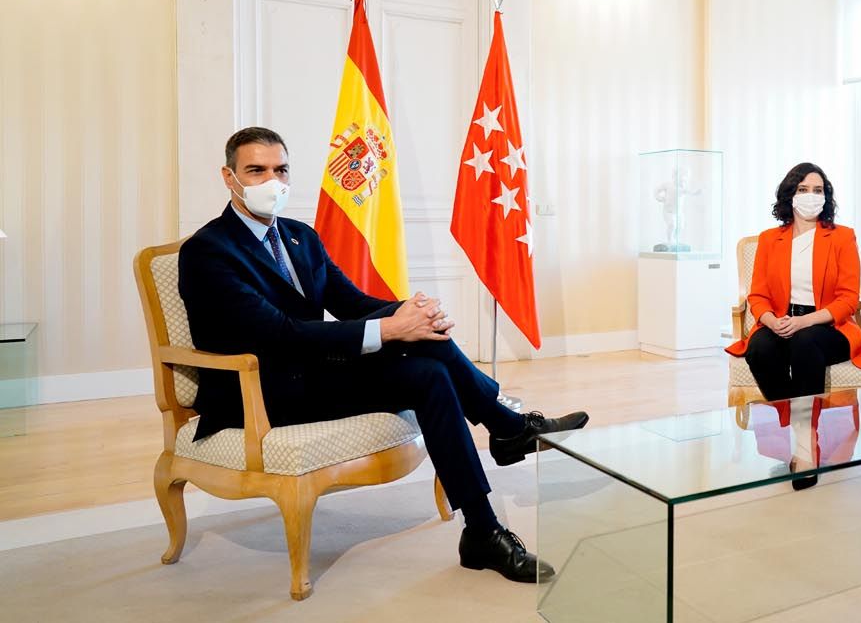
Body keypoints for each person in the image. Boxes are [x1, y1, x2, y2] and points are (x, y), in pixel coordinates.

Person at [178, 126, 588, 584]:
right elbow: (282, 334)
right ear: (229, 177)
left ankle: (482, 530)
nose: (270, 181)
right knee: (418, 350)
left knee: (429, 363)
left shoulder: (300, 236)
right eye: (256, 170)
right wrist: (394, 327)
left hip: (313, 375)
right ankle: (508, 428)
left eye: (280, 170)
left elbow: (351, 302)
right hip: (260, 393)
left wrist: (411, 313)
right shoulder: (207, 251)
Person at [725, 163, 861, 489]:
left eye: (818, 190)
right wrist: (769, 320)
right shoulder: (770, 239)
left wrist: (804, 321)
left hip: (826, 324)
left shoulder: (842, 237)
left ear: (827, 197)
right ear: (790, 194)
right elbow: (758, 295)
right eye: (804, 189)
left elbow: (848, 299)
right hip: (780, 318)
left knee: (805, 343)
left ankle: (805, 445)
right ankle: (799, 424)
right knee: (761, 348)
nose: (812, 196)